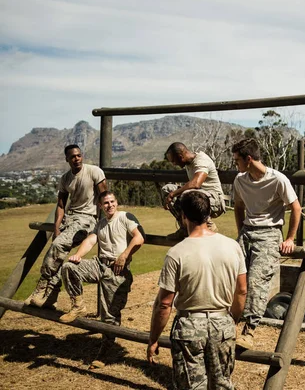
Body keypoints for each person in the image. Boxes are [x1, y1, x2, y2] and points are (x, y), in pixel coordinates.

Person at [147, 191, 247, 390]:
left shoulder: (176, 253)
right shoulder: (232, 246)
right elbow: (242, 291)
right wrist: (231, 321)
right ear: (208, 214)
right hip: (222, 323)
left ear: (183, 216)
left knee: (191, 386)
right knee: (223, 384)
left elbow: (164, 303)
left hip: (189, 326)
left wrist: (153, 339)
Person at [59, 190, 145, 368]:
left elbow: (139, 238)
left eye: (112, 201)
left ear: (117, 202)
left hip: (118, 270)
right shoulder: (101, 223)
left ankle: (105, 353)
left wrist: (124, 255)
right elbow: (90, 241)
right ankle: (78, 305)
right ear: (100, 206)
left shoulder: (125, 217)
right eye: (106, 203)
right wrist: (78, 255)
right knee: (69, 267)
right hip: (100, 265)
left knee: (109, 316)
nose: (110, 205)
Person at [231, 138, 301, 349]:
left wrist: (289, 238)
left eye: (237, 161)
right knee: (230, 274)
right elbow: (238, 206)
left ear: (249, 159)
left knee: (256, 280)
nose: (236, 165)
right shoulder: (240, 180)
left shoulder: (278, 179)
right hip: (246, 231)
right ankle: (227, 323)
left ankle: (249, 331)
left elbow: (296, 208)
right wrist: (240, 233)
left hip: (270, 234)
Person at [25, 144, 107, 308]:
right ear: (67, 159)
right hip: (70, 218)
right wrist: (56, 227)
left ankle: (42, 286)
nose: (76, 159)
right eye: (72, 157)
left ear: (81, 156)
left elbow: (104, 196)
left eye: (78, 155)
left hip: (87, 219)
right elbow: (61, 205)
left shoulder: (94, 171)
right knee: (58, 255)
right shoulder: (65, 178)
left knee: (58, 244)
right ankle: (51, 295)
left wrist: (105, 222)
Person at [162, 142, 226, 239]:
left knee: (188, 194)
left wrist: (173, 194)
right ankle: (184, 228)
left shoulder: (201, 160)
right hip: (199, 197)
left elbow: (196, 184)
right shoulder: (188, 163)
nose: (174, 164)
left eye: (174, 161)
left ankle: (209, 226)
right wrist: (170, 193)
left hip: (215, 200)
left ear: (180, 157)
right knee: (167, 189)